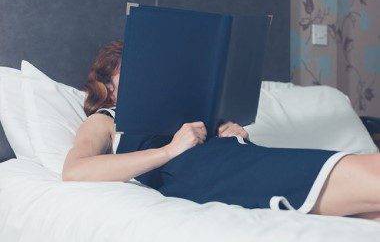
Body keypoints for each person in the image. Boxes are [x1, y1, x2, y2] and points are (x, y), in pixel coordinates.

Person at [63, 40, 380, 222]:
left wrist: (232, 135)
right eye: (127, 73)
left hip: (238, 162)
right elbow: (75, 170)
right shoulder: (106, 119)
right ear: (107, 88)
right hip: (208, 176)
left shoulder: (180, 108)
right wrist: (169, 150)